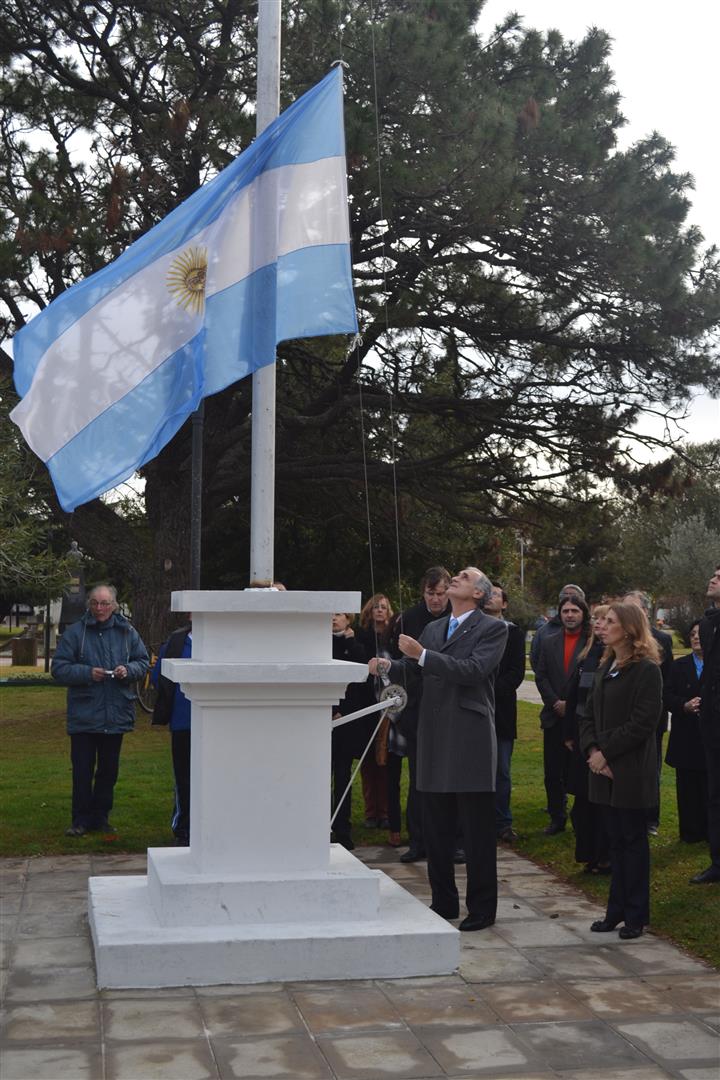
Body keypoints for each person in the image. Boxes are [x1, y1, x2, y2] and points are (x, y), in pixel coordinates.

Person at [370, 566, 507, 931]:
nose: (456, 577)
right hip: (431, 736)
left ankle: (481, 909)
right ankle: (444, 902)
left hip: (469, 738)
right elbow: (412, 670)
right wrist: (388, 666)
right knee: (436, 829)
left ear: (478, 594)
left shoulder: (493, 629)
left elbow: (474, 670)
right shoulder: (433, 628)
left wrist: (423, 655)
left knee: (476, 833)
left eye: (464, 576)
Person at [579, 602, 663, 939]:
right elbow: (587, 715)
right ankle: (615, 910)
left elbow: (643, 722)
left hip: (629, 771)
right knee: (614, 842)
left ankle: (636, 915)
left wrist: (607, 753)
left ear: (628, 628)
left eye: (610, 621)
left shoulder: (647, 670)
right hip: (604, 769)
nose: (603, 625)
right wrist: (593, 750)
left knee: (632, 842)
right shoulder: (606, 664)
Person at [52, 584, 149, 837]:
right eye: (95, 603)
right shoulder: (76, 632)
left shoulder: (127, 632)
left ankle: (101, 817)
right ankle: (80, 820)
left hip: (115, 713)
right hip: (84, 714)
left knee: (108, 772)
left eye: (105, 603)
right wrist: (86, 673)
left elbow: (142, 661)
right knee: (82, 771)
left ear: (114, 605)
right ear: (89, 605)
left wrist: (127, 671)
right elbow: (59, 668)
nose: (100, 608)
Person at [389, 566, 451, 862]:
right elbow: (401, 665)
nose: (436, 600)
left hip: (449, 708)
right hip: (417, 709)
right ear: (422, 591)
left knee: (450, 778)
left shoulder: (456, 618)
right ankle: (418, 841)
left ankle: (453, 841)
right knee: (418, 780)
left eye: (441, 594)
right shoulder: (409, 618)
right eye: (431, 593)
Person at [534, 594, 590, 834]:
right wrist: (555, 701)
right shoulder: (548, 641)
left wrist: (571, 704)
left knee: (579, 770)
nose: (569, 615)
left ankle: (582, 818)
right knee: (552, 772)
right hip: (553, 716)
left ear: (583, 614)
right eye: (565, 611)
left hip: (579, 717)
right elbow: (541, 675)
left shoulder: (591, 643)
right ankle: (557, 817)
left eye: (574, 611)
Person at [564, 605, 610, 873]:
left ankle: (605, 855)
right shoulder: (587, 657)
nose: (599, 624)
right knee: (582, 803)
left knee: (601, 803)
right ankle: (588, 854)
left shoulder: (617, 659)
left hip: (604, 742)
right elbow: (574, 698)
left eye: (606, 619)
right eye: (597, 619)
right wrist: (569, 733)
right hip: (582, 740)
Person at [624, 591, 674, 835]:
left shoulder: (662, 639)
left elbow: (666, 680)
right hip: (622, 717)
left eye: (633, 608)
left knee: (650, 768)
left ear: (645, 611)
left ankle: (650, 818)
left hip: (652, 716)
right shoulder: (618, 640)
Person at [483, 583, 526, 842]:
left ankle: (502, 821)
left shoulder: (514, 633)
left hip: (501, 711)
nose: (491, 597)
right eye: (488, 593)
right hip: (475, 710)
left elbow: (516, 674)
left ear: (505, 603)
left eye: (496, 594)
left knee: (502, 770)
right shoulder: (473, 629)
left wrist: (486, 689)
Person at [330, 613, 371, 851]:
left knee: (343, 777)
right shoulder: (321, 644)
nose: (334, 619)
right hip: (326, 715)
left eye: (339, 615)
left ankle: (343, 829)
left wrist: (349, 643)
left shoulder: (355, 645)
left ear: (348, 620)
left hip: (347, 720)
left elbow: (359, 675)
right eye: (331, 615)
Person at [664, 620, 707, 844]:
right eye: (692, 634)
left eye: (700, 634)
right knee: (687, 787)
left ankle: (710, 831)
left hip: (710, 739)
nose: (696, 637)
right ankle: (690, 832)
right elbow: (666, 696)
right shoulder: (679, 666)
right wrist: (684, 705)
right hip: (685, 736)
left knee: (709, 787)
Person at [355, 593, 394, 832]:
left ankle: (387, 812)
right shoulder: (361, 637)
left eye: (384, 607)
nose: (380, 610)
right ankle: (372, 812)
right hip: (366, 703)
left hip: (389, 703)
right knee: (368, 761)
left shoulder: (393, 637)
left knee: (387, 761)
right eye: (376, 607)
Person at [691, 564, 720, 884]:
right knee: (715, 794)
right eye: (713, 573)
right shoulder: (709, 622)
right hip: (712, 722)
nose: (712, 579)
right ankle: (717, 860)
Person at [152, 621, 193, 846]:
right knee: (184, 777)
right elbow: (160, 676)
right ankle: (184, 827)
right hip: (183, 721)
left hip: (217, 724)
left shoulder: (224, 642)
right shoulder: (176, 642)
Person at [529, 584, 586, 671]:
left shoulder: (594, 633)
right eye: (565, 596)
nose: (570, 615)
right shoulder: (543, 632)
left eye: (573, 596)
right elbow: (536, 661)